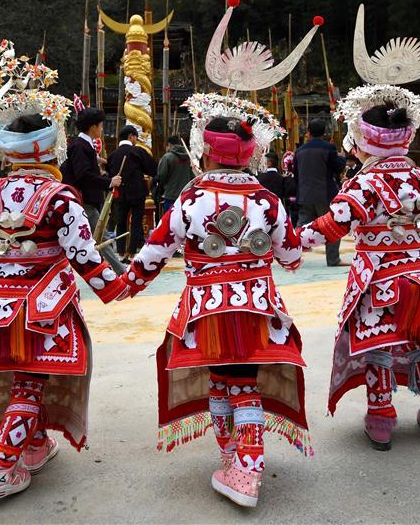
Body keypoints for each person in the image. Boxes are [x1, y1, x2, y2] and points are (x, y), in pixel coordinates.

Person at [0, 47, 130, 500]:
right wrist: (118, 288)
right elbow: (82, 254)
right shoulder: (60, 196)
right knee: (29, 378)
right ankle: (2, 464)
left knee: (15, 372)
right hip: (41, 300)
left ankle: (35, 442)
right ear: (51, 145)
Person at [299, 0, 420, 451]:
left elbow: (332, 223)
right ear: (407, 136)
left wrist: (289, 241)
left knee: (381, 344)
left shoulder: (364, 185)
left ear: (364, 139)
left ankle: (381, 418)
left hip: (378, 274)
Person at [121, 97, 310, 508]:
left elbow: (154, 252)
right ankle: (236, 458)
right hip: (257, 307)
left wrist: (125, 284)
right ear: (250, 154)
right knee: (239, 380)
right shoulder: (269, 202)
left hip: (206, 309)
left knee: (225, 379)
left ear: (205, 152)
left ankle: (244, 465)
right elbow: (292, 258)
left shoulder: (188, 202)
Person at [60, 107, 124, 274]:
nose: (102, 128)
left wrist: (96, 163)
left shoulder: (81, 145)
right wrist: (109, 181)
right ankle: (122, 272)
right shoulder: (81, 146)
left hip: (84, 200)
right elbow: (83, 175)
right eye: (101, 125)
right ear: (93, 126)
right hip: (84, 201)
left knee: (94, 239)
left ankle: (110, 270)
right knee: (100, 238)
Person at [294, 117, 346, 266]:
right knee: (332, 225)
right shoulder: (328, 148)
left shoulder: (299, 151)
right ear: (324, 132)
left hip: (305, 193)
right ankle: (333, 259)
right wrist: (342, 158)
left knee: (301, 226)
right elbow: (337, 168)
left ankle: (290, 256)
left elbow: (296, 175)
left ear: (308, 132)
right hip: (325, 193)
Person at [107, 125, 157, 257]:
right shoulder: (138, 151)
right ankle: (131, 252)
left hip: (120, 193)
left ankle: (121, 251)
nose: (136, 140)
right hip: (137, 192)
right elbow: (152, 169)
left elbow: (109, 173)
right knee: (136, 222)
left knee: (121, 222)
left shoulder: (113, 155)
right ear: (131, 136)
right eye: (136, 137)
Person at [155, 134, 193, 213]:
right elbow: (193, 175)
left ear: (169, 145)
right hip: (186, 195)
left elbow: (161, 176)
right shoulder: (189, 157)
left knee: (170, 221)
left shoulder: (167, 157)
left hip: (170, 195)